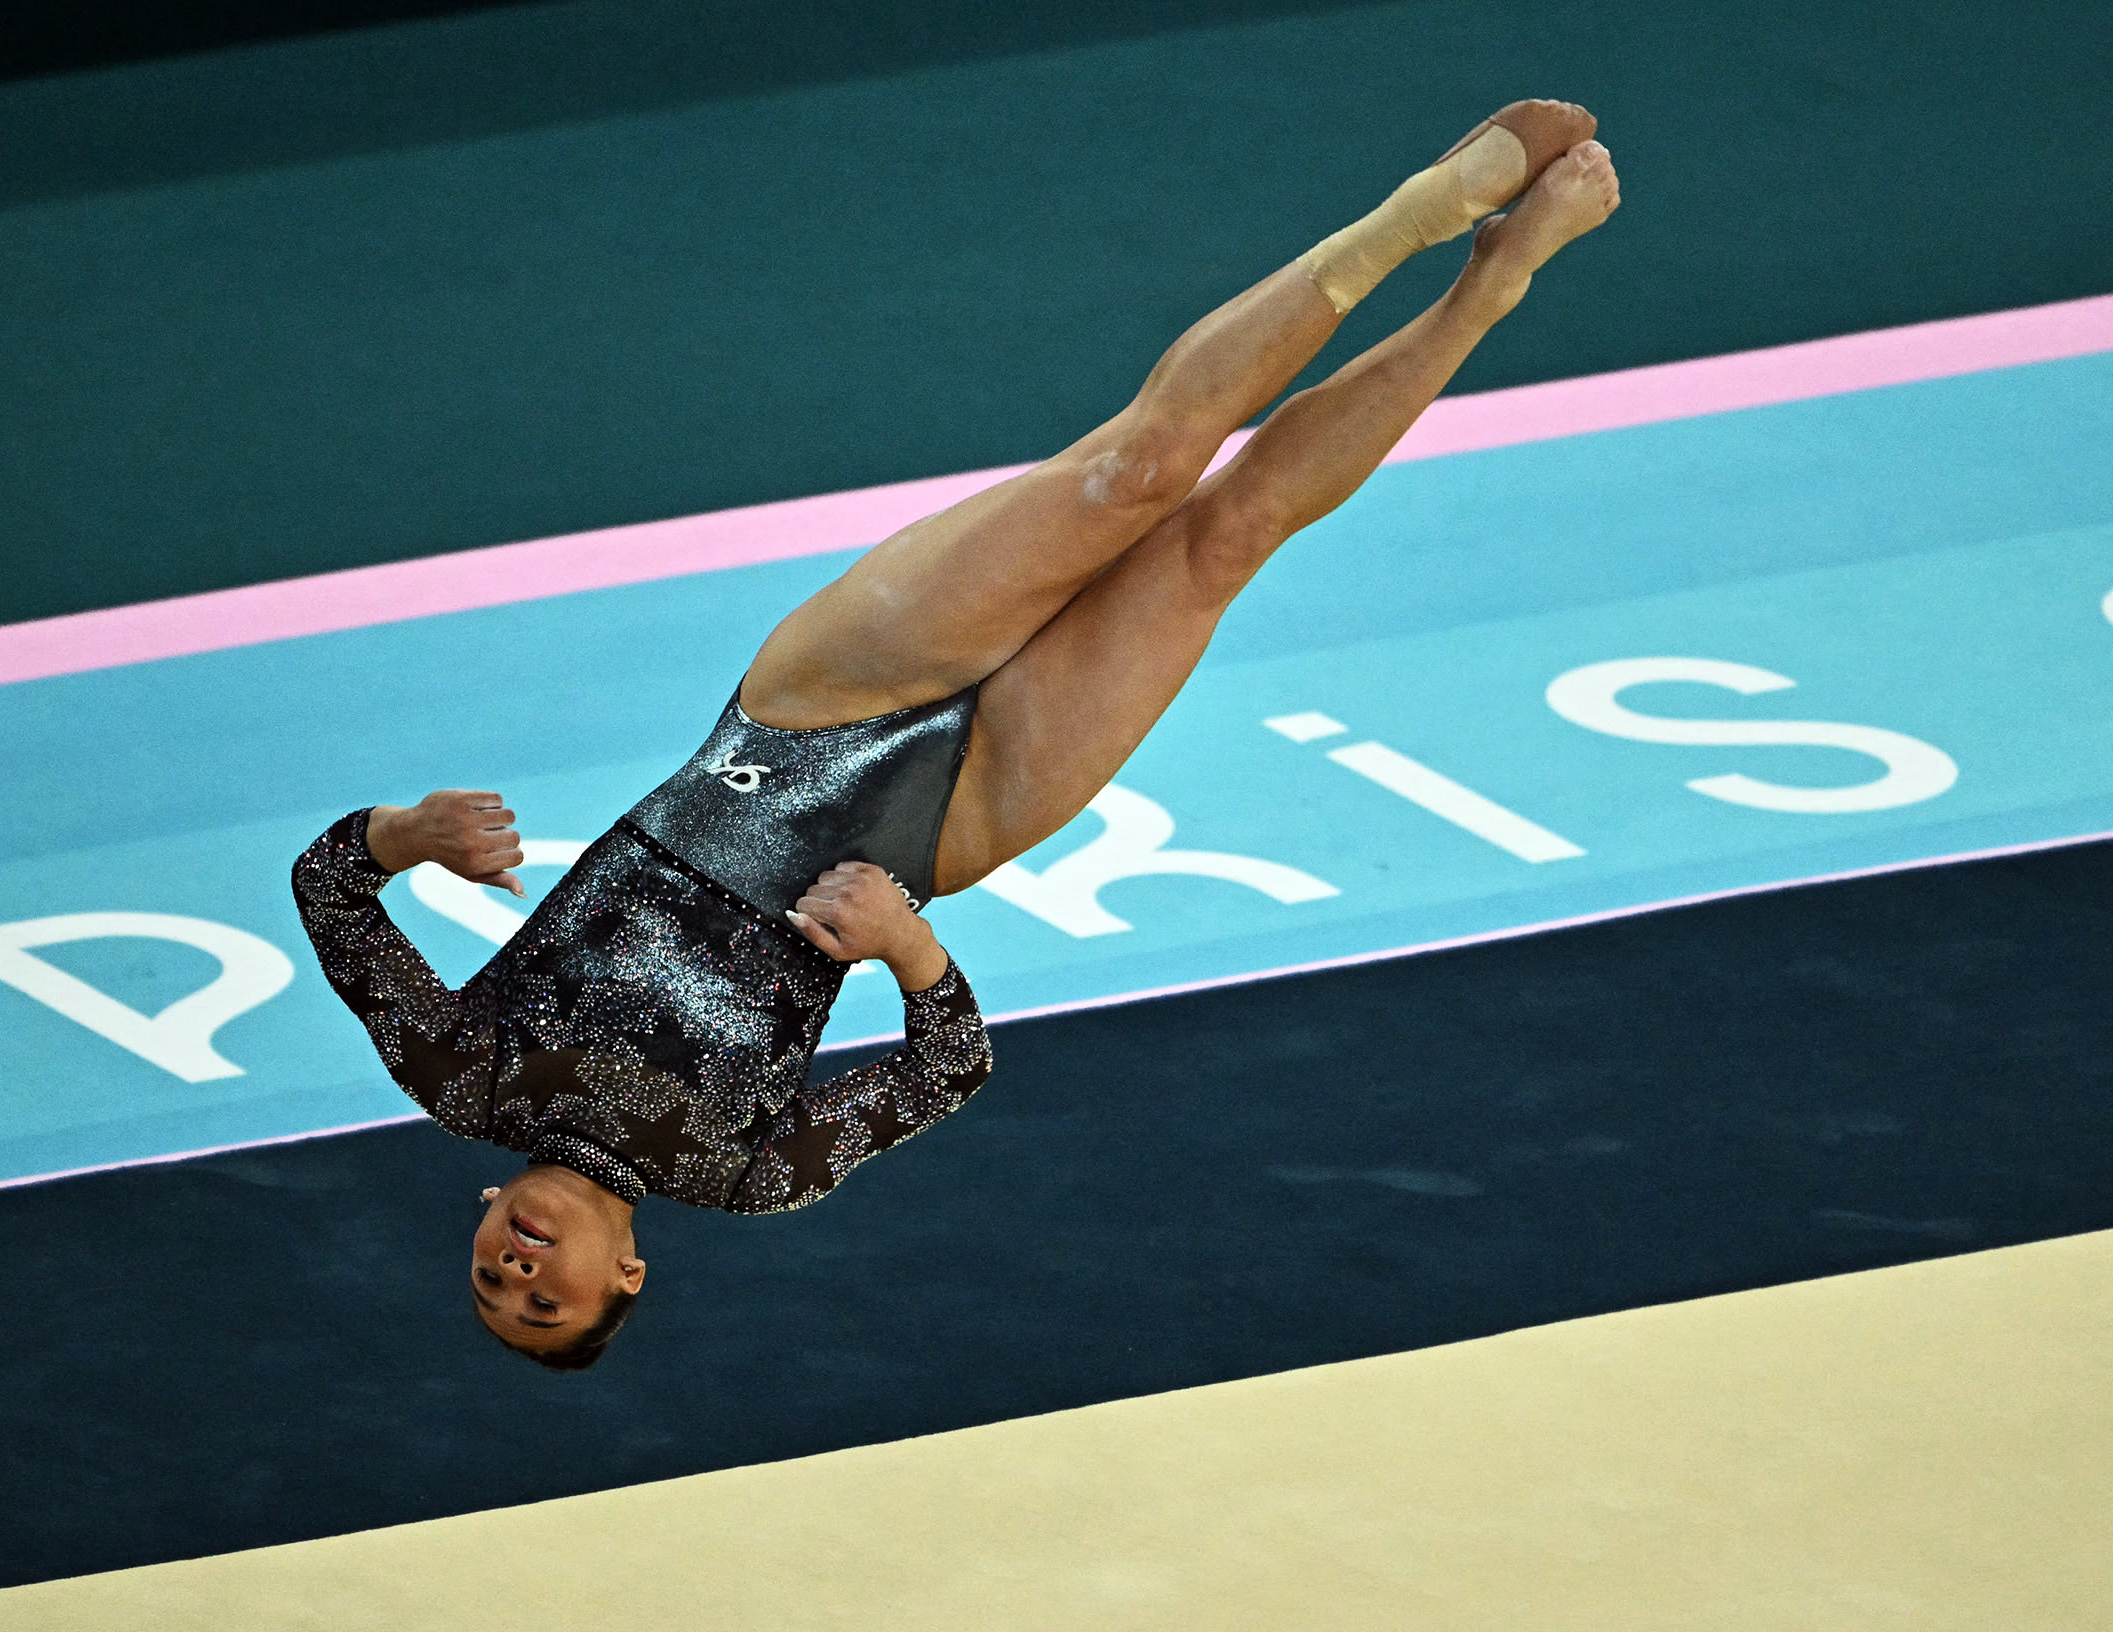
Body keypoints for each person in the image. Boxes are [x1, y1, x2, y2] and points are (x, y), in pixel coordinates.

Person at [293, 102, 1620, 1368]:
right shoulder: (746, 1174)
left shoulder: (459, 1073)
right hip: (949, 823)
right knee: (1227, 534)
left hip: (805, 717)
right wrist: (911, 952)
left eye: (492, 1280)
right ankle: (1485, 294)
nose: (522, 1271)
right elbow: (947, 1070)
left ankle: (1406, 222)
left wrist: (410, 836)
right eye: (548, 1303)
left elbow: (331, 891)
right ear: (626, 1275)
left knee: (1141, 470)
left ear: (475, 1216)